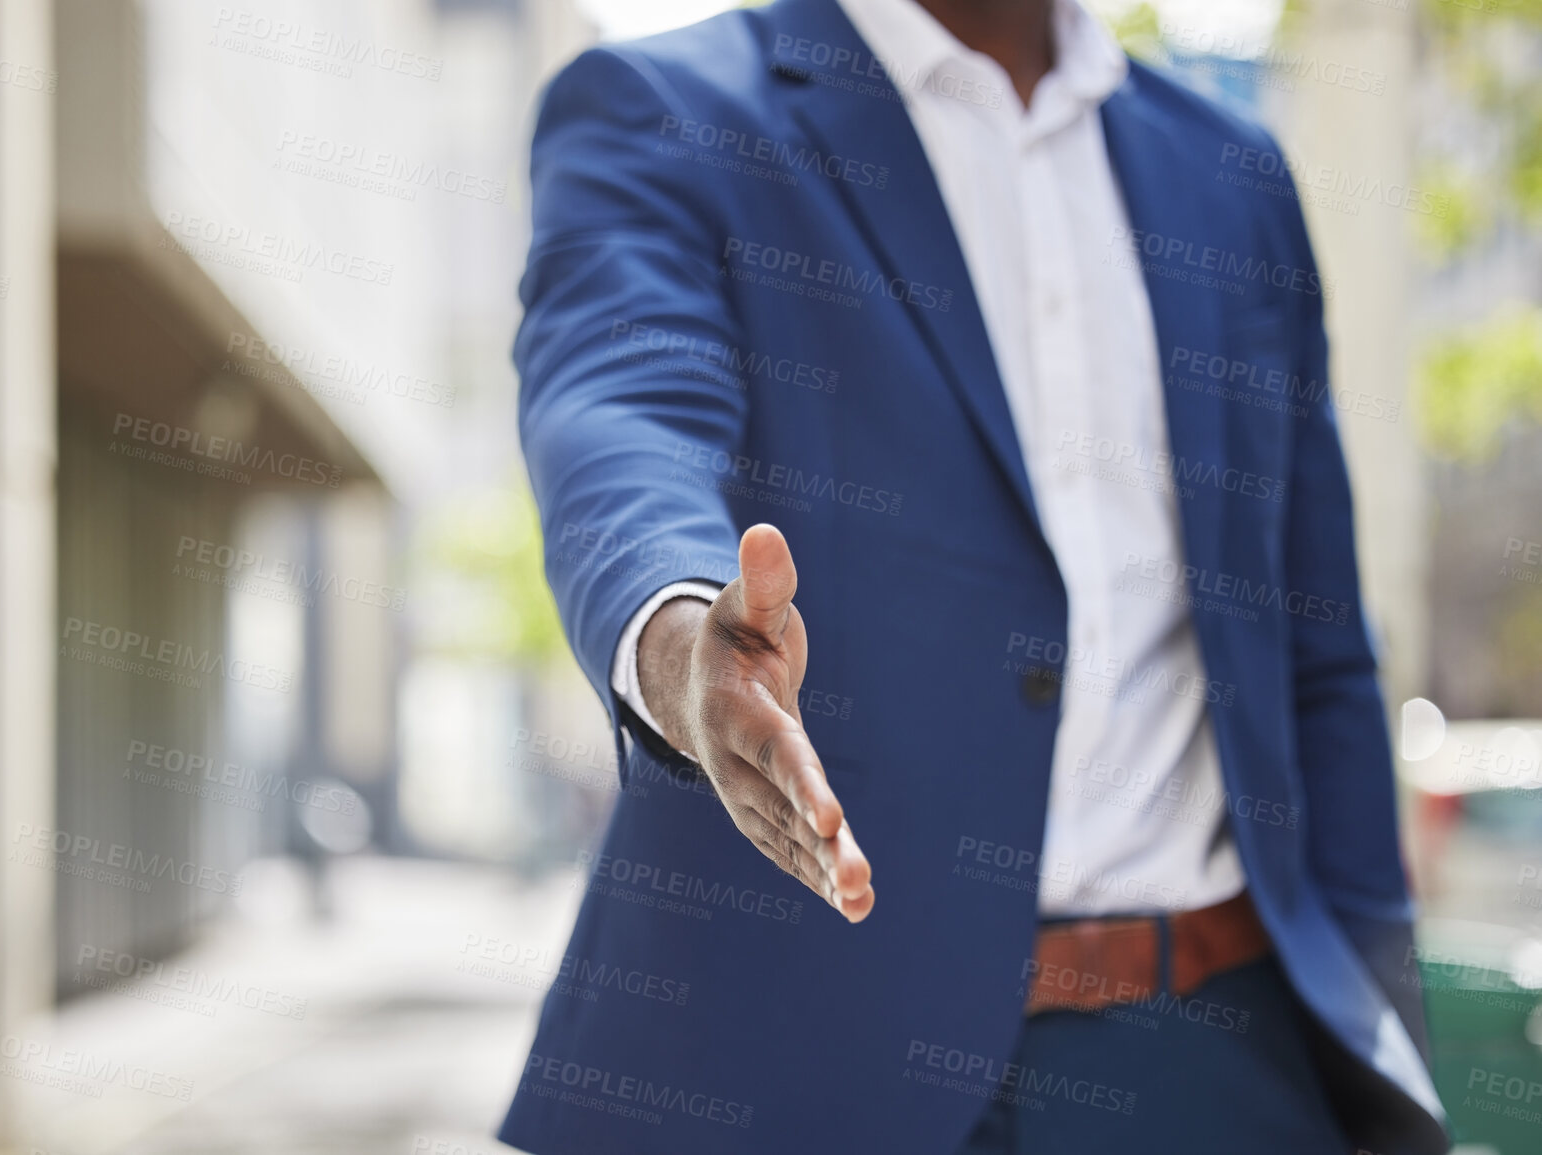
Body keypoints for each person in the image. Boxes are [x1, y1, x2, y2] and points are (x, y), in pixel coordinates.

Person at [501, 0, 1449, 1151]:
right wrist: (679, 629)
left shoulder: (1231, 176)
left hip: (1214, 1062)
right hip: (796, 1066)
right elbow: (618, 412)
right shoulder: (666, 110)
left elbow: (1320, 654)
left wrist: (1388, 1059)